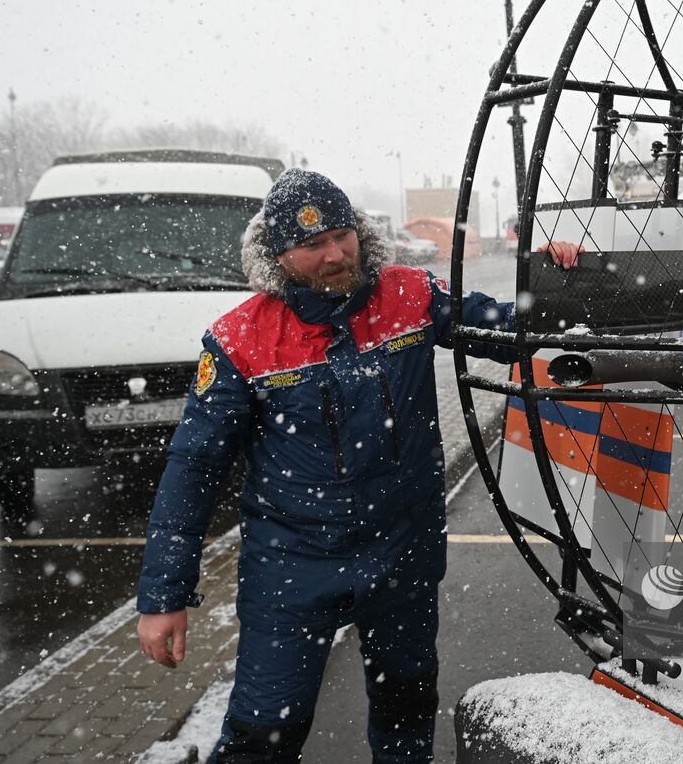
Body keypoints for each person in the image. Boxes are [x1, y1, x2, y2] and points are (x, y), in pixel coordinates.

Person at [135, 169, 581, 762]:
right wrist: (163, 595)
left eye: (341, 235)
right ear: (277, 255)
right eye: (312, 245)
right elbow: (194, 468)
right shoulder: (241, 339)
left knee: (407, 709)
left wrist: (548, 281)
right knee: (262, 731)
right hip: (291, 568)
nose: (334, 254)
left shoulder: (411, 294)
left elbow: (507, 329)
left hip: (403, 554)